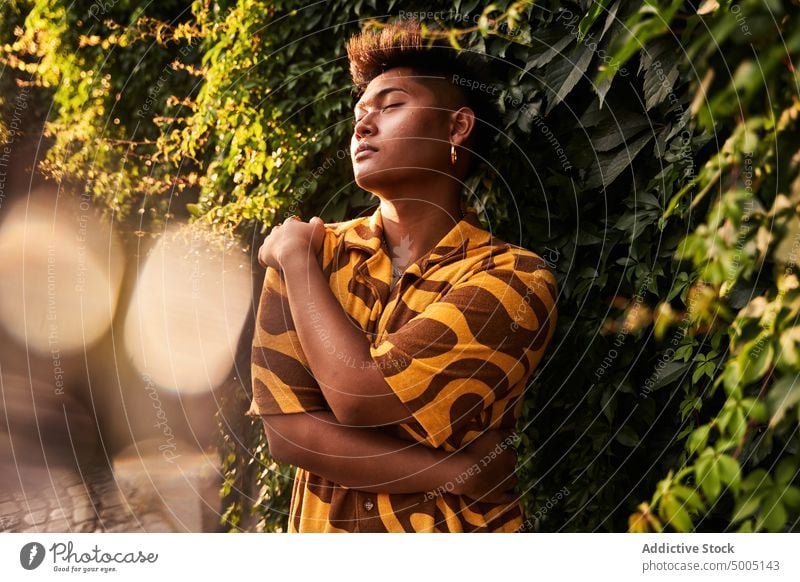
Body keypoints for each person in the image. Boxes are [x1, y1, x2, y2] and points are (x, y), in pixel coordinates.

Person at [248, 19, 558, 532]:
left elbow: (361, 398)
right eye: (359, 114)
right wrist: (455, 470)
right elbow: (289, 435)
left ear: (457, 127)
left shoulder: (515, 280)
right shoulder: (317, 250)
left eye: (391, 106)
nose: (362, 126)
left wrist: (298, 267)